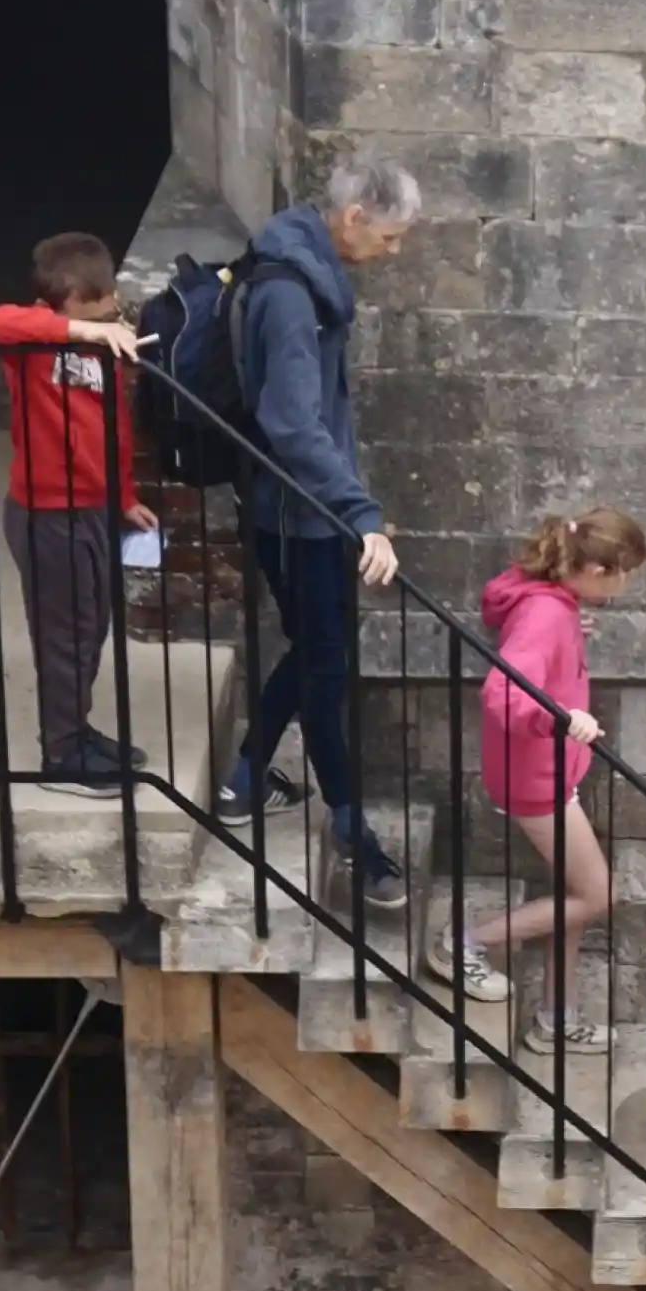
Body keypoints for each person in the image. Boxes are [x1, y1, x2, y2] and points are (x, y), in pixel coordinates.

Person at [211, 160, 417, 904]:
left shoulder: (293, 265)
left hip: (299, 511)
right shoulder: (292, 296)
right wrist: (361, 514)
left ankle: (244, 778)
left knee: (317, 656)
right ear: (353, 215)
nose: (392, 253)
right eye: (390, 236)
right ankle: (354, 836)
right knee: (326, 670)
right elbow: (293, 423)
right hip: (302, 520)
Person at [428, 508, 646, 1056]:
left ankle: (557, 1016)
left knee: (577, 894)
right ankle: (463, 944)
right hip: (536, 778)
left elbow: (517, 620)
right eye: (625, 575)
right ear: (598, 569)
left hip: (544, 772)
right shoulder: (546, 615)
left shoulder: (549, 600)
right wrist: (559, 720)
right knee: (597, 895)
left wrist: (569, 622)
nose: (626, 586)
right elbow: (502, 694)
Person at [0, 235, 159, 795]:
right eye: (93, 307)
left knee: (90, 626)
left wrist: (124, 495)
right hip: (47, 513)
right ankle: (61, 754)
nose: (108, 315)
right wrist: (83, 333)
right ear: (61, 304)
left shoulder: (99, 344)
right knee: (63, 635)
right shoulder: (34, 336)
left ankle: (76, 731)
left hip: (94, 507)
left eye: (109, 307)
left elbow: (115, 427)